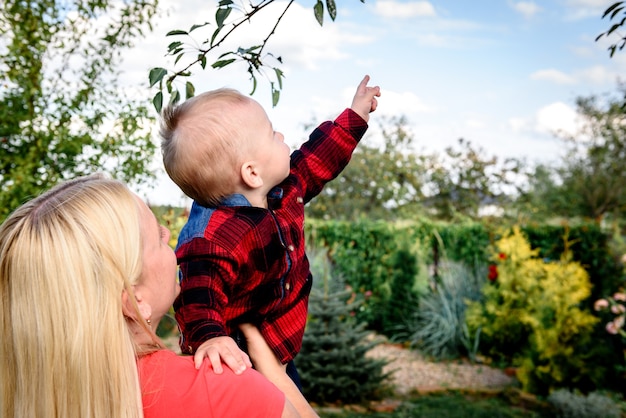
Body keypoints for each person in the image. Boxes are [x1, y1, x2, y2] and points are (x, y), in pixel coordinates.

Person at [0, 174, 319, 418]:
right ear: (134, 300)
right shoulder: (225, 390)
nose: (171, 236)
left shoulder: (20, 393)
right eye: (157, 236)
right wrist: (273, 371)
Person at [160, 75, 381, 385]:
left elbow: (317, 159)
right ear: (251, 172)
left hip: (278, 346)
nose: (280, 135)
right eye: (270, 134)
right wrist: (210, 338)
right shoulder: (212, 238)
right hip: (236, 360)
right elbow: (198, 296)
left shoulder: (281, 189)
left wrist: (354, 116)